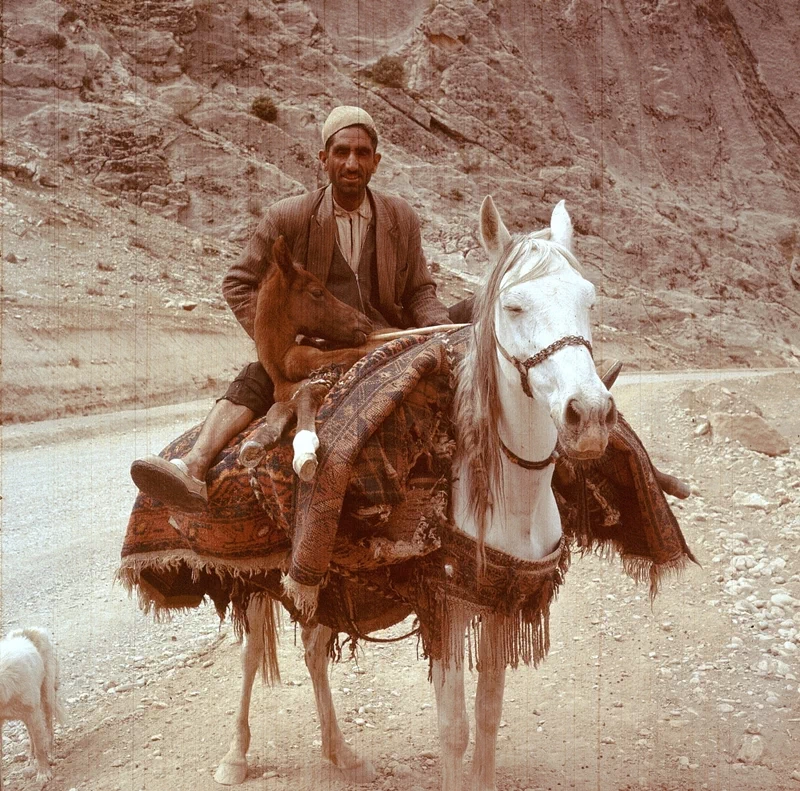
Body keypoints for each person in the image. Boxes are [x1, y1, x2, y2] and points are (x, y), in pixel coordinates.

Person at [131, 106, 467, 512]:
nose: (351, 163)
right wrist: (279, 343)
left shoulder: (401, 217)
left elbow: (418, 290)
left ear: (376, 162)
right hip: (311, 346)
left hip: (383, 338)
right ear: (322, 159)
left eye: (362, 154)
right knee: (258, 376)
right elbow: (237, 283)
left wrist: (439, 329)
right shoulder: (288, 216)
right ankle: (193, 467)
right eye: (341, 152)